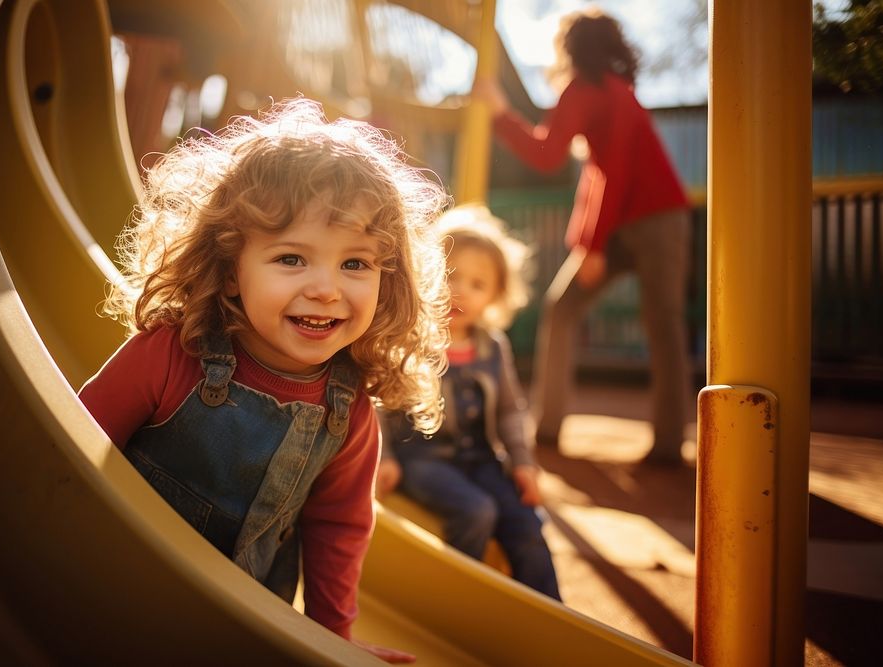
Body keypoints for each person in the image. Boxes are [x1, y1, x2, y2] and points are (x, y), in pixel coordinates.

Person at [78, 98, 451, 663]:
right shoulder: (169, 356)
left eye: (356, 264)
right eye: (292, 259)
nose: (327, 288)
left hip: (241, 619)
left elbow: (338, 528)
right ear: (230, 270)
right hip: (120, 589)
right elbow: (75, 447)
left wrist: (332, 637)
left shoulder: (346, 410)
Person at [474, 7, 693, 464]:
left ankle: (667, 446)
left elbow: (553, 155)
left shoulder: (589, 88)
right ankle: (550, 431)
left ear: (570, 48)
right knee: (590, 312)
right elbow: (598, 172)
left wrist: (499, 112)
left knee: (660, 323)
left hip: (653, 218)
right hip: (649, 219)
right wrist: (590, 241)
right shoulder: (615, 90)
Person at [377, 204, 562, 601]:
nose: (461, 290)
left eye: (478, 284)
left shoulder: (491, 347)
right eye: (452, 275)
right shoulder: (410, 337)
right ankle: (459, 599)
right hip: (423, 460)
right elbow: (379, 401)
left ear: (496, 295)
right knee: (476, 510)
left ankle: (548, 610)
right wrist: (384, 456)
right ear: (427, 271)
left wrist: (523, 463)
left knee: (525, 520)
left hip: (479, 459)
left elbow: (511, 411)